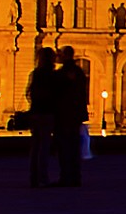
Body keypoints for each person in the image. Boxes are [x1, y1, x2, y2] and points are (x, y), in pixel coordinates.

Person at [25, 47, 61, 188]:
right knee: (45, 147)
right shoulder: (52, 75)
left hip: (35, 112)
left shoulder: (35, 74)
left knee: (35, 147)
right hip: (47, 113)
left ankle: (33, 177)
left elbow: (28, 93)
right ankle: (43, 176)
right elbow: (57, 95)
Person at [55, 46, 89, 186]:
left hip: (64, 115)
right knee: (74, 147)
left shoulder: (63, 73)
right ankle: (75, 176)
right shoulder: (79, 72)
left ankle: (65, 177)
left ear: (65, 56)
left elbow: (58, 94)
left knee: (64, 147)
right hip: (76, 114)